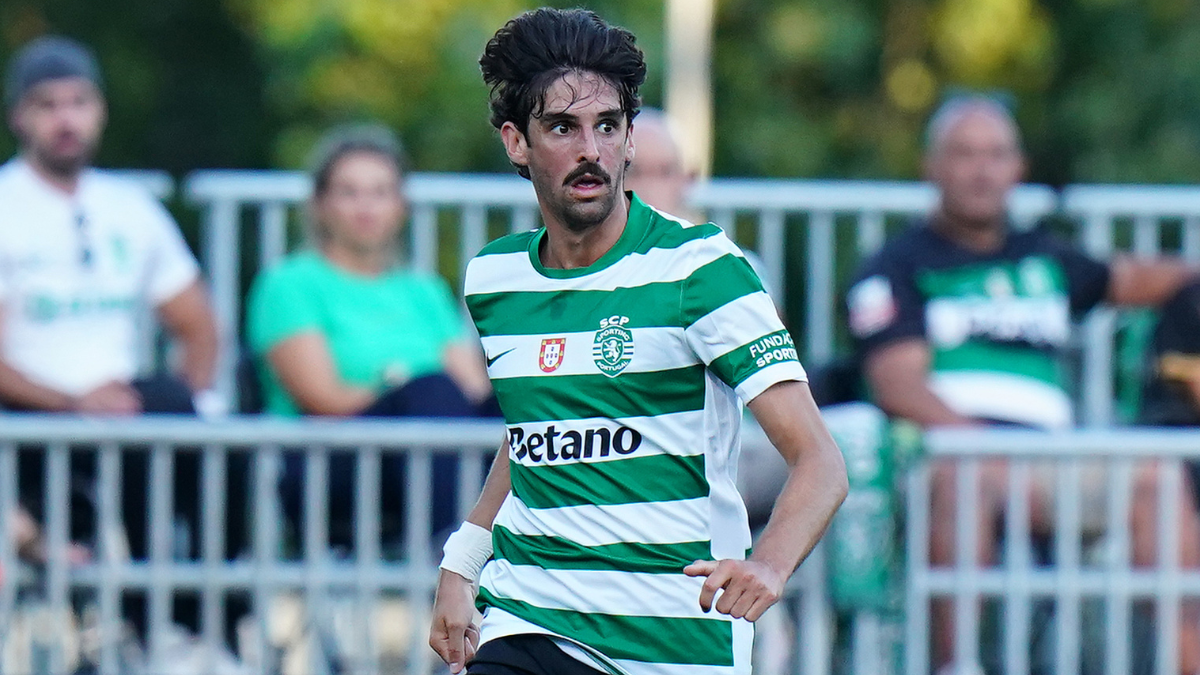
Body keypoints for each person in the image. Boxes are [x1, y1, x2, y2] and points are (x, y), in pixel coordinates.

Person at [428, 8, 848, 675]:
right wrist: (463, 562)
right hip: (529, 613)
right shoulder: (495, 278)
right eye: (562, 127)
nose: (590, 150)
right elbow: (536, 429)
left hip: (669, 642)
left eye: (607, 126)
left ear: (628, 141)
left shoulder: (702, 270)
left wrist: (769, 564)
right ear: (516, 142)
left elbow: (820, 459)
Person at [846, 95, 1200, 674]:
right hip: (950, 457)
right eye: (965, 154)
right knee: (967, 474)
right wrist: (986, 446)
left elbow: (1139, 279)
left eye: (996, 155)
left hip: (1052, 461)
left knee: (1158, 476)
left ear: (1019, 169)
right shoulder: (895, 267)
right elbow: (898, 387)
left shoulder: (1045, 259)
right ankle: (957, 665)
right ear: (930, 166)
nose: (982, 171)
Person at [246, 124, 494, 545]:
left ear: (400, 206)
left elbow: (472, 391)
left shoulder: (423, 290)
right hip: (332, 459)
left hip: (432, 446)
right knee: (432, 392)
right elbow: (323, 398)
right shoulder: (290, 284)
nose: (366, 207)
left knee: (521, 406)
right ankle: (457, 550)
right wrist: (404, 389)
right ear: (321, 204)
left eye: (380, 192)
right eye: (349, 192)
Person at [0, 35, 219, 416]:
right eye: (47, 105)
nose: (66, 121)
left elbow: (198, 325)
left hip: (120, 413)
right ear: (18, 117)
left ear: (100, 111)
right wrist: (72, 404)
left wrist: (184, 401)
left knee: (175, 403)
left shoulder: (130, 207)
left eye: (79, 103)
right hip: (27, 418)